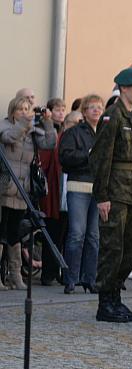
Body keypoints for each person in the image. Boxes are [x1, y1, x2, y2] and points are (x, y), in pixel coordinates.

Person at [90, 66, 132, 322]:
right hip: (115, 191)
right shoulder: (112, 116)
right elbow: (101, 158)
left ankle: (116, 296)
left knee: (131, 250)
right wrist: (102, 195)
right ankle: (106, 301)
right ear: (124, 88)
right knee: (112, 247)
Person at [0, 94, 56, 290]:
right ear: (12, 112)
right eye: (21, 110)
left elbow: (49, 144)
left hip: (23, 191)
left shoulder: (32, 131)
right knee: (1, 232)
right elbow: (9, 138)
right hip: (5, 187)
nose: (25, 113)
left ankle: (15, 276)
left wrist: (48, 122)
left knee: (14, 234)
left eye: (27, 110)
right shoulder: (6, 126)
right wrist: (24, 124)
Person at [60, 94, 103, 294]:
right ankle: (70, 279)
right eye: (92, 107)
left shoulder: (104, 132)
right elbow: (65, 157)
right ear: (84, 112)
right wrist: (88, 154)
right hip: (78, 186)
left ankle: (89, 279)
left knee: (94, 236)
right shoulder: (74, 132)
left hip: (99, 189)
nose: (96, 110)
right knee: (77, 234)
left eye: (99, 107)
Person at [37, 97, 68, 285]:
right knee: (51, 230)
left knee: (62, 232)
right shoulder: (45, 130)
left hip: (62, 187)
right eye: (57, 109)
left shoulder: (65, 132)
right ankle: (48, 272)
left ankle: (57, 270)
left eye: (63, 109)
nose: (61, 113)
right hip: (50, 187)